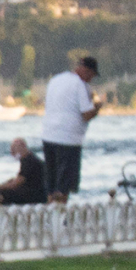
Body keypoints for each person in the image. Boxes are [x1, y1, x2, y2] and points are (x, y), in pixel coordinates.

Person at [38, 54, 102, 202]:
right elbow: (86, 114)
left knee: (52, 182)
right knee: (64, 186)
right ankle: (61, 216)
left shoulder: (55, 80)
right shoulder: (80, 85)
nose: (91, 80)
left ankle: (50, 215)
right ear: (87, 71)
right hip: (69, 140)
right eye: (91, 76)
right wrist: (97, 107)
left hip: (48, 136)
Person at [0, 137, 47, 206]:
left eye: (13, 149)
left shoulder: (28, 160)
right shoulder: (29, 158)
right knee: (1, 190)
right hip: (36, 191)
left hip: (36, 194)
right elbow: (20, 178)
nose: (12, 153)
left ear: (22, 147)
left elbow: (16, 183)